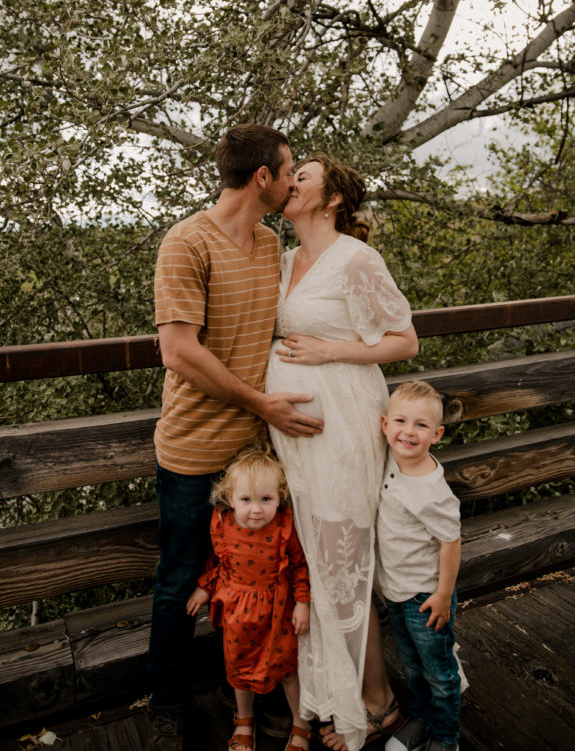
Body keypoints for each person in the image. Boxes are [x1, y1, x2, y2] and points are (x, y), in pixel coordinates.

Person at [148, 124, 322, 751]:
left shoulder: (269, 241)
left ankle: (250, 690)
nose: (292, 179)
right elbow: (178, 351)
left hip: (259, 459)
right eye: (288, 169)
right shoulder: (186, 242)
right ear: (262, 178)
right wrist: (259, 403)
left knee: (266, 580)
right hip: (195, 452)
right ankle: (166, 705)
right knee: (180, 580)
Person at [265, 153, 419, 751]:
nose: (290, 182)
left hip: (346, 428)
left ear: (331, 199)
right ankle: (338, 697)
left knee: (342, 561)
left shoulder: (357, 259)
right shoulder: (282, 261)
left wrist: (330, 353)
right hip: (297, 441)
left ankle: (378, 707)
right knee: (319, 562)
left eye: (302, 176)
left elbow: (404, 340)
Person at [187, 443, 313, 751]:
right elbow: (219, 563)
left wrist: (303, 603)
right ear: (231, 498)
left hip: (277, 612)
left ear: (279, 498)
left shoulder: (284, 526)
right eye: (246, 499)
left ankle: (301, 723)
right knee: (238, 669)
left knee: (287, 669)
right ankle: (244, 719)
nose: (256, 509)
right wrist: (204, 587)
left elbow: (298, 566)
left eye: (266, 499)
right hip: (237, 613)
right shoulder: (223, 524)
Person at [378, 381, 462, 751]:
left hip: (425, 596)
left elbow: (451, 542)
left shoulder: (432, 490)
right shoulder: (387, 460)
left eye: (421, 425)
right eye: (400, 421)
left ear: (437, 434)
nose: (408, 432)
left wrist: (443, 595)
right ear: (384, 425)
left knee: (439, 673)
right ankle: (421, 720)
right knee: (411, 665)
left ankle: (446, 738)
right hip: (395, 590)